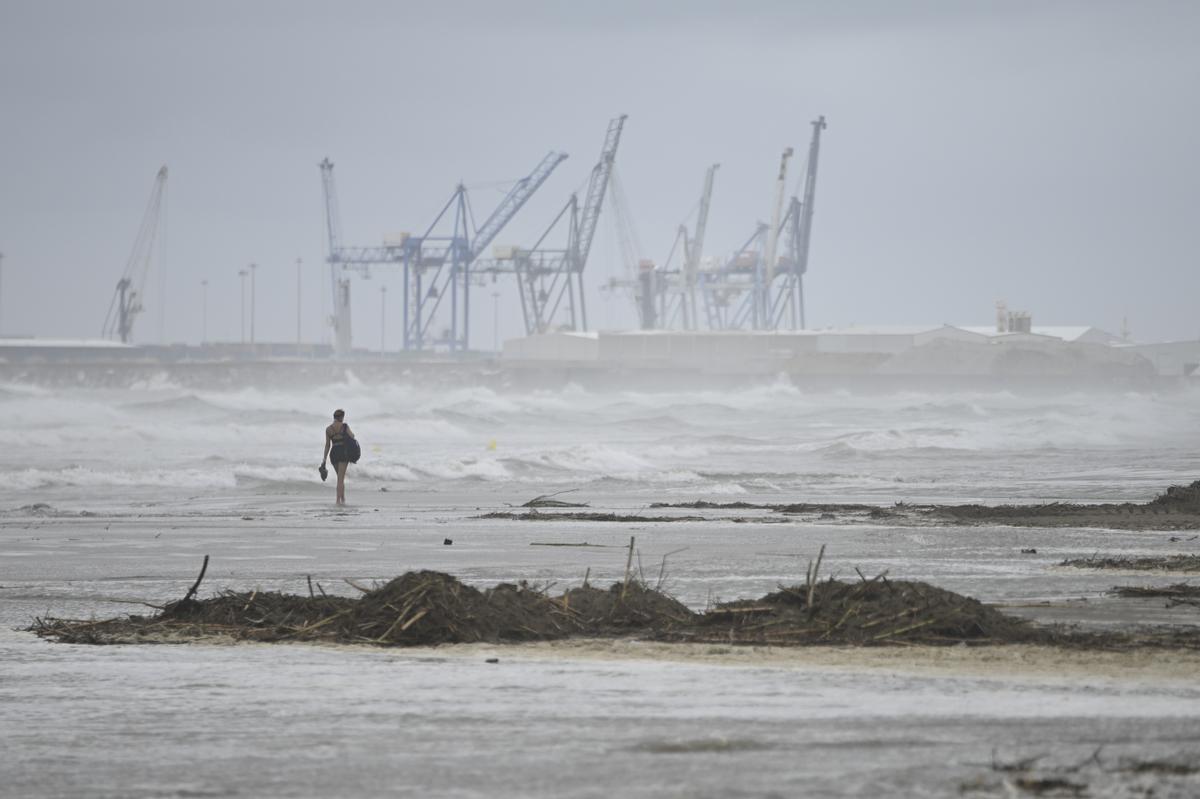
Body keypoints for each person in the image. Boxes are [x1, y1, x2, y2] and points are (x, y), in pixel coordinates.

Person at [322, 409, 356, 505]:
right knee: (340, 479)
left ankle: (343, 498)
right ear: (341, 417)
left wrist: (324, 459)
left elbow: (327, 445)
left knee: (340, 478)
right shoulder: (344, 426)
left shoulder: (328, 429)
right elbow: (352, 436)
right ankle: (338, 501)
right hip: (343, 453)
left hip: (334, 453)